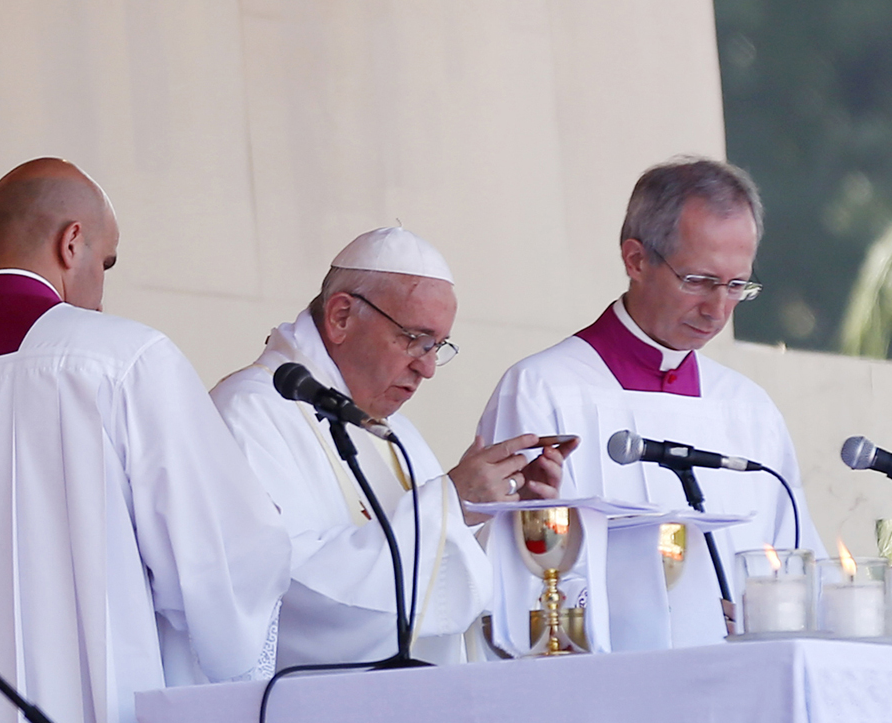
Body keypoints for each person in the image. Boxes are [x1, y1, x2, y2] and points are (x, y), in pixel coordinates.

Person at [0, 158, 291, 723]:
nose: (102, 291)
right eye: (106, 264)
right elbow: (222, 570)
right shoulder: (123, 360)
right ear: (71, 243)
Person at [477, 157, 825, 646]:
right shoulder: (543, 389)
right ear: (636, 260)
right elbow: (514, 579)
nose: (717, 309)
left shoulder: (749, 409)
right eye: (699, 281)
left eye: (736, 286)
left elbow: (797, 567)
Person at [211, 227, 575, 666]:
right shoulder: (250, 411)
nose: (427, 367)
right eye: (414, 339)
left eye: (437, 346)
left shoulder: (396, 433)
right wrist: (449, 503)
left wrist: (499, 514)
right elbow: (290, 592)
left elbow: (448, 598)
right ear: (341, 316)